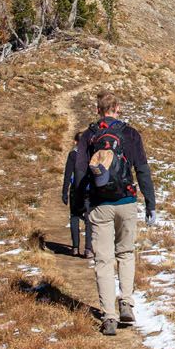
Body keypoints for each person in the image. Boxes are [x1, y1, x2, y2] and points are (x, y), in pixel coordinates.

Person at [73, 90, 156, 336]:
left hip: (100, 204)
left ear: (98, 109)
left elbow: (79, 172)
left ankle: (109, 315)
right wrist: (150, 203)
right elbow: (142, 169)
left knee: (104, 260)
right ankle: (127, 303)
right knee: (126, 253)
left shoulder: (89, 135)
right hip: (127, 201)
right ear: (117, 108)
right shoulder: (130, 134)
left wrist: (78, 206)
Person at [61, 132, 91, 258]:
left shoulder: (73, 154)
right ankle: (88, 249)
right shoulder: (91, 153)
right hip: (89, 191)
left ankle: (75, 248)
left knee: (74, 217)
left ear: (75, 142)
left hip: (75, 190)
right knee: (89, 220)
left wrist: (64, 192)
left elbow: (68, 174)